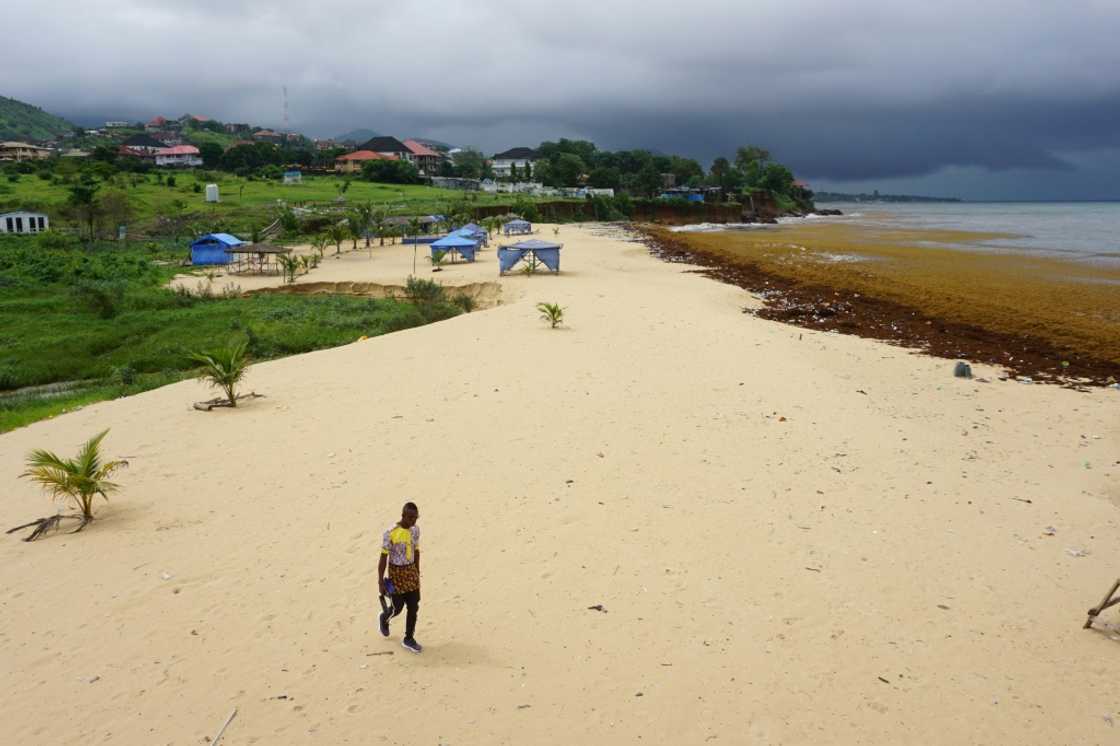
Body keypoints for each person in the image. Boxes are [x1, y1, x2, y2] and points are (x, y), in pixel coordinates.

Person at [378, 501, 422, 653]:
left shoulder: (415, 530)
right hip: (396, 575)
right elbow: (383, 557)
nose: (413, 521)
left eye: (415, 518)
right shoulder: (390, 533)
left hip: (411, 573)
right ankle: (384, 617)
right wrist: (380, 582)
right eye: (410, 518)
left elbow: (416, 551)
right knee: (397, 608)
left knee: (414, 606)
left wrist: (417, 572)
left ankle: (409, 638)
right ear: (403, 515)